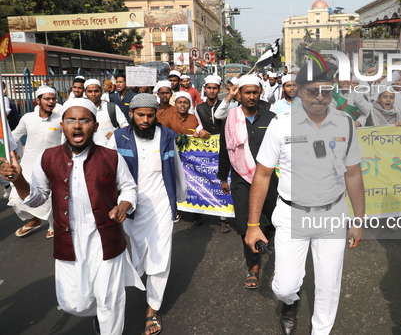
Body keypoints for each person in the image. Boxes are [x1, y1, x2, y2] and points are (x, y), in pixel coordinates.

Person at [0, 98, 144, 335]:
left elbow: (129, 188)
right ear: (63, 126)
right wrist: (19, 180)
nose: (77, 126)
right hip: (68, 241)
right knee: (72, 302)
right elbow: (36, 198)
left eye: (84, 120)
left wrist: (123, 205)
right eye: (70, 120)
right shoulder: (48, 158)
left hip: (105, 239)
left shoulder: (111, 157)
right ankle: (99, 314)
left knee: (110, 298)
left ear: (95, 126)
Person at [245, 61, 365, 335]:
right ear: (298, 91)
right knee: (284, 285)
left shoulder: (345, 124)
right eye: (312, 91)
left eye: (326, 90)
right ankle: (291, 302)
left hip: (333, 214)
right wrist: (253, 225)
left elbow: (354, 175)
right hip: (291, 215)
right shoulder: (280, 126)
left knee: (328, 284)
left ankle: (320, 331)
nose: (320, 97)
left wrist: (359, 219)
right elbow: (262, 176)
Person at [109, 94, 187, 335]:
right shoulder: (118, 137)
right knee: (135, 253)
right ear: (131, 114)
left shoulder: (166, 135)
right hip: (129, 206)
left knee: (160, 256)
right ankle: (116, 299)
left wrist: (179, 199)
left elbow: (175, 168)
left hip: (161, 204)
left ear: (155, 115)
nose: (145, 120)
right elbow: (108, 172)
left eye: (149, 115)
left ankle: (152, 308)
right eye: (140, 115)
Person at [217, 75, 278, 289]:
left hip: (269, 180)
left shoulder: (272, 119)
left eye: (254, 92)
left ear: (260, 92)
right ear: (239, 95)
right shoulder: (230, 120)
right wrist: (223, 177)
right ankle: (253, 267)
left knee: (273, 220)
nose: (251, 96)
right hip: (241, 180)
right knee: (246, 223)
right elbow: (225, 152)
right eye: (247, 92)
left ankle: (279, 258)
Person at [9, 86, 62, 239]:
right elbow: (13, 137)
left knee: (49, 198)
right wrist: (11, 152)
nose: (51, 101)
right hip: (27, 164)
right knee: (16, 198)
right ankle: (34, 220)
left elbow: (65, 143)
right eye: (47, 98)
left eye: (53, 99)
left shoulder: (60, 120)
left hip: (49, 164)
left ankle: (52, 225)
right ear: (38, 101)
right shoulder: (27, 118)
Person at [194, 75, 232, 232]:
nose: (211, 91)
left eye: (214, 88)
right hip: (206, 151)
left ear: (219, 89)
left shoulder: (227, 106)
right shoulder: (198, 108)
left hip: (225, 149)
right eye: (209, 87)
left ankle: (224, 218)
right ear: (205, 89)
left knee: (224, 181)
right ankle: (201, 211)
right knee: (204, 179)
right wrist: (198, 130)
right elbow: (195, 124)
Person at [84, 79, 128, 147]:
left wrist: (116, 134)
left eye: (96, 91)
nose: (93, 94)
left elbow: (125, 126)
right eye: (90, 91)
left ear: (101, 92)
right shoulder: (82, 110)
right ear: (85, 93)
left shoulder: (111, 107)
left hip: (109, 150)